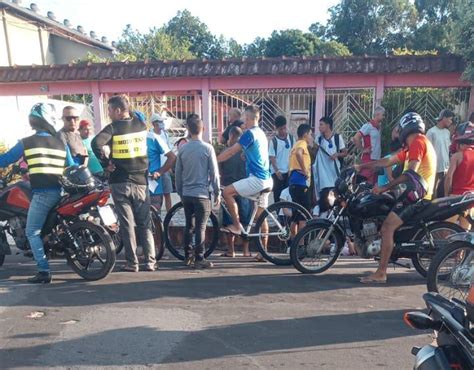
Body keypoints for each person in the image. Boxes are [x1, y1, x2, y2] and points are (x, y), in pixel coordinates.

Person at [355, 112, 436, 283]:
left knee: (387, 228)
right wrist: (361, 166)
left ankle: (381, 273)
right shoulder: (414, 145)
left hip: (417, 195)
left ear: (406, 128)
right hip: (414, 192)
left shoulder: (418, 142)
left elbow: (410, 174)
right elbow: (387, 162)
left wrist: (384, 187)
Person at [0, 103, 74, 283]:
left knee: (32, 231)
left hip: (42, 194)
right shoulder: (60, 143)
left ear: (34, 121)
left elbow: (5, 160)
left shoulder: (27, 142)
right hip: (60, 193)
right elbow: (71, 166)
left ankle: (43, 270)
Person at [92, 95, 157, 272]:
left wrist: (106, 164)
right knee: (145, 223)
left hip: (120, 181)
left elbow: (95, 143)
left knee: (127, 224)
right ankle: (150, 261)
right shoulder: (141, 125)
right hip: (141, 181)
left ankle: (132, 262)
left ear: (118, 110)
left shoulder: (113, 127)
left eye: (110, 110)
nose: (109, 114)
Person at [217, 105, 273, 262]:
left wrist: (213, 161)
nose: (243, 123)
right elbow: (257, 155)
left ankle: (235, 225)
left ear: (248, 119)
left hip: (257, 179)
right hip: (267, 179)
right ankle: (264, 252)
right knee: (262, 216)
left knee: (227, 192)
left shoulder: (248, 134)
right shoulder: (261, 133)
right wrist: (247, 157)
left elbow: (230, 151)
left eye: (244, 120)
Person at [175, 114, 220, 268]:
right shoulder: (208, 148)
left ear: (188, 130)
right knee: (201, 226)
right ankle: (200, 257)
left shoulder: (182, 149)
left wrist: (180, 192)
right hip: (201, 194)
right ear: (203, 129)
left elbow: (178, 174)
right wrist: (217, 192)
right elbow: (214, 174)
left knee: (189, 225)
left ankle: (187, 257)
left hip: (187, 194)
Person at [219, 126, 252, 258]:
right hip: (244, 190)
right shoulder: (246, 153)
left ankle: (231, 250)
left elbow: (220, 172)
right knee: (245, 222)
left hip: (229, 189)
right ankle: (245, 251)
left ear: (232, 137)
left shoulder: (225, 153)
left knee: (230, 222)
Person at [313, 116, 347, 215]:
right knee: (324, 200)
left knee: (336, 199)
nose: (319, 127)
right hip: (323, 176)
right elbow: (314, 153)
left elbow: (345, 153)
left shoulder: (337, 138)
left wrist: (337, 154)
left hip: (334, 175)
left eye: (321, 125)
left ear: (328, 126)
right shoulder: (318, 139)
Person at [444, 131, 474, 230]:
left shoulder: (457, 156)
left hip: (456, 197)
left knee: (445, 228)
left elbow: (449, 177)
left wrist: (446, 195)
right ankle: (462, 246)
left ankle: (446, 246)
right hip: (471, 198)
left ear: (461, 145)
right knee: (464, 231)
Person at [147, 115, 176, 211]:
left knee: (167, 193)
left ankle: (169, 216)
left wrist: (169, 167)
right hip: (154, 170)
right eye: (159, 121)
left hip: (164, 168)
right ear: (154, 123)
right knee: (156, 196)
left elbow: (170, 153)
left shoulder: (165, 135)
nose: (162, 124)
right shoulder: (150, 136)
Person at [288, 124, 313, 231]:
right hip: (301, 183)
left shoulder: (295, 145)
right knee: (303, 217)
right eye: (311, 134)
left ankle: (293, 244)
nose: (312, 137)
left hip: (293, 182)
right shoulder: (302, 143)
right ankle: (301, 245)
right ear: (305, 134)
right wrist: (304, 170)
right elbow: (299, 153)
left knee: (295, 217)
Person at [352, 106, 385, 184]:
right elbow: (356, 138)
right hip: (368, 159)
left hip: (376, 160)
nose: (384, 117)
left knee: (373, 185)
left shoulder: (378, 127)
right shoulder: (368, 126)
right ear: (377, 114)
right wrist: (363, 150)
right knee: (366, 184)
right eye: (382, 115)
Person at [427, 109, 454, 198]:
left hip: (445, 167)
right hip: (434, 166)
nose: (451, 121)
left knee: (443, 189)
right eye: (450, 119)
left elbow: (448, 149)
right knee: (433, 189)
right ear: (444, 118)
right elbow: (427, 150)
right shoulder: (431, 132)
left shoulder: (447, 132)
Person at [269, 115, 294, 203]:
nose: (283, 131)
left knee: (288, 194)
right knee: (278, 195)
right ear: (276, 128)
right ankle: (278, 214)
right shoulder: (273, 141)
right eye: (280, 129)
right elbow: (272, 157)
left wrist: (291, 169)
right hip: (277, 173)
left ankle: (286, 215)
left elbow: (293, 154)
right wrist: (277, 171)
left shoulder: (291, 138)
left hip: (288, 172)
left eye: (284, 128)